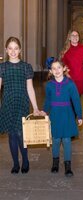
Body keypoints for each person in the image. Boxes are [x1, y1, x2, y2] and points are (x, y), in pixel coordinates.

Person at [0, 36, 41, 174]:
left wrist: (35, 107)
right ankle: (16, 164)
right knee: (12, 134)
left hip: (22, 102)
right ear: (6, 50)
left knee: (21, 133)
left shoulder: (26, 67)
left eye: (16, 48)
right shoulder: (2, 67)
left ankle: (25, 160)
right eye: (10, 48)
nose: (13, 51)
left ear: (20, 50)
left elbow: (30, 88)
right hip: (8, 103)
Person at [42, 58, 82, 177]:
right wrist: (44, 111)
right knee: (55, 140)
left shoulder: (70, 84)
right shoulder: (49, 85)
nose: (57, 70)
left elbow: (76, 100)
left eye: (59, 67)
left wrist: (79, 115)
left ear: (64, 68)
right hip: (54, 114)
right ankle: (55, 163)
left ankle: (68, 165)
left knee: (66, 140)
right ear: (50, 71)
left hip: (67, 114)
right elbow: (48, 100)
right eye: (53, 68)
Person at [60, 30, 83, 95]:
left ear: (79, 37)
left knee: (77, 99)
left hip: (81, 78)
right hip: (70, 79)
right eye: (73, 35)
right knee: (70, 100)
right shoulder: (65, 50)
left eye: (77, 35)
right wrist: (67, 74)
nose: (75, 37)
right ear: (69, 37)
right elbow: (63, 66)